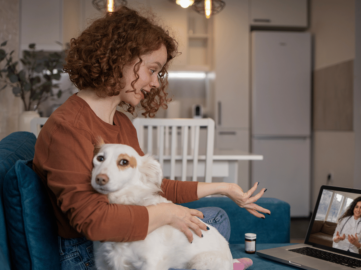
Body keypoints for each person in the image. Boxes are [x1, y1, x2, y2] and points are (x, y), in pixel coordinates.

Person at [32, 6, 269, 270]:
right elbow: (95, 223)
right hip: (92, 252)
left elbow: (151, 185)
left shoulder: (120, 122)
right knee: (209, 224)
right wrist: (168, 213)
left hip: (124, 235)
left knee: (216, 217)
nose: (156, 83)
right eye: (152, 70)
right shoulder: (68, 127)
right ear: (120, 59)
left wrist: (223, 188)